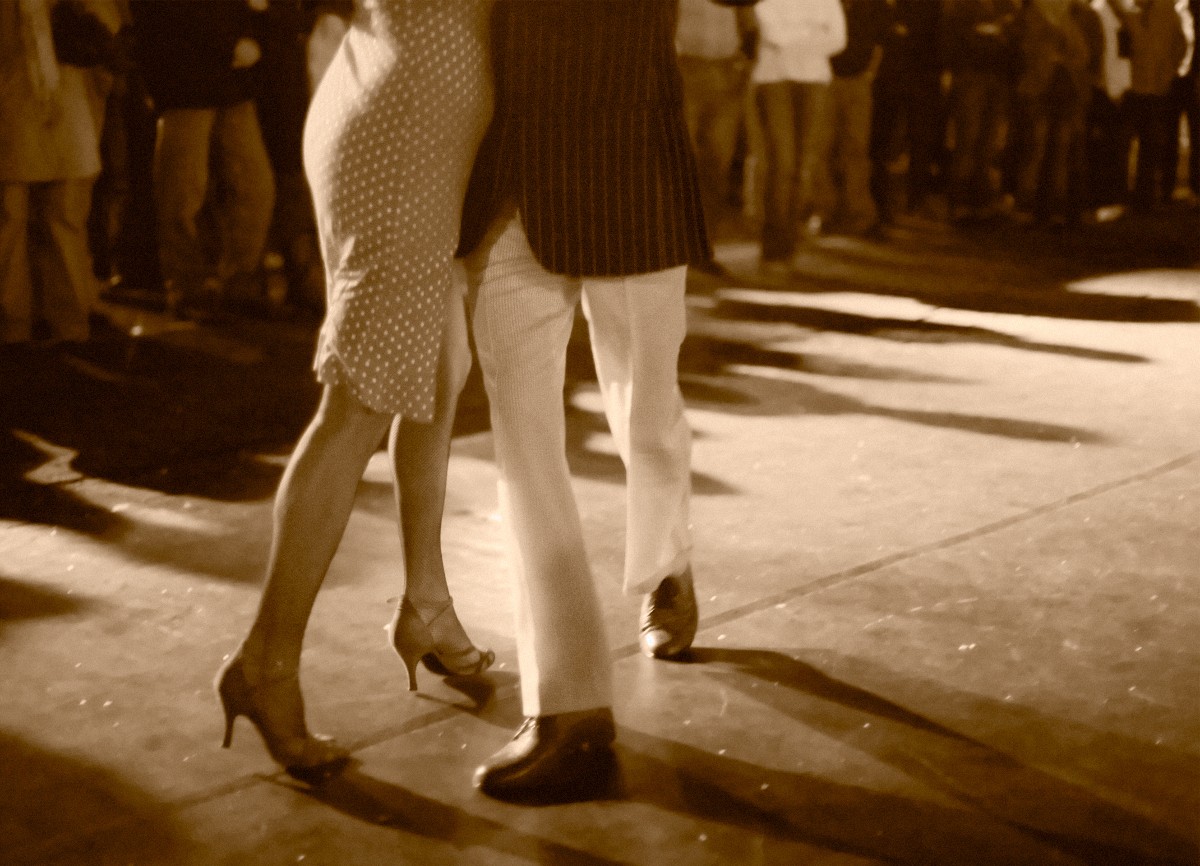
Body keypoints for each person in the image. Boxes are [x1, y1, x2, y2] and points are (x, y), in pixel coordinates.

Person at [215, 0, 495, 783]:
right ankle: (264, 662)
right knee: (359, 402)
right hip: (404, 130)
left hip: (406, 114)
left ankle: (428, 606)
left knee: (437, 373)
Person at [457, 0, 709, 801]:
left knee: (646, 407)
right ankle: (567, 705)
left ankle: (667, 563)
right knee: (524, 451)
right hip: (507, 187)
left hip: (630, 168)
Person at [130, 0, 276, 320]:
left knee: (251, 185)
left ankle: (232, 281)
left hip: (221, 77)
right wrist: (235, 40)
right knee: (184, 190)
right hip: (189, 75)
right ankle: (190, 286)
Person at [1, 0, 122, 346]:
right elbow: (105, 32)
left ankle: (18, 322)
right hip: (59, 106)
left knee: (14, 220)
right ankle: (64, 320)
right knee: (59, 219)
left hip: (29, 105)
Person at [749, 0, 847, 267]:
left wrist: (795, 38)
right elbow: (772, 34)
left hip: (815, 82)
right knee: (783, 163)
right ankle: (773, 247)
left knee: (803, 164)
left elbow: (838, 39)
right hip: (774, 80)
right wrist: (814, 35)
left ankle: (788, 246)